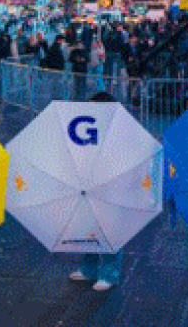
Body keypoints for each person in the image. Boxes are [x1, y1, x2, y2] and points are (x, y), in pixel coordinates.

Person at [68, 92, 124, 291]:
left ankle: (109, 273)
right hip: (88, 184)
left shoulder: (116, 129)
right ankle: (88, 269)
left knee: (109, 231)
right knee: (89, 229)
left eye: (93, 105)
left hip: (109, 187)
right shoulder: (86, 126)